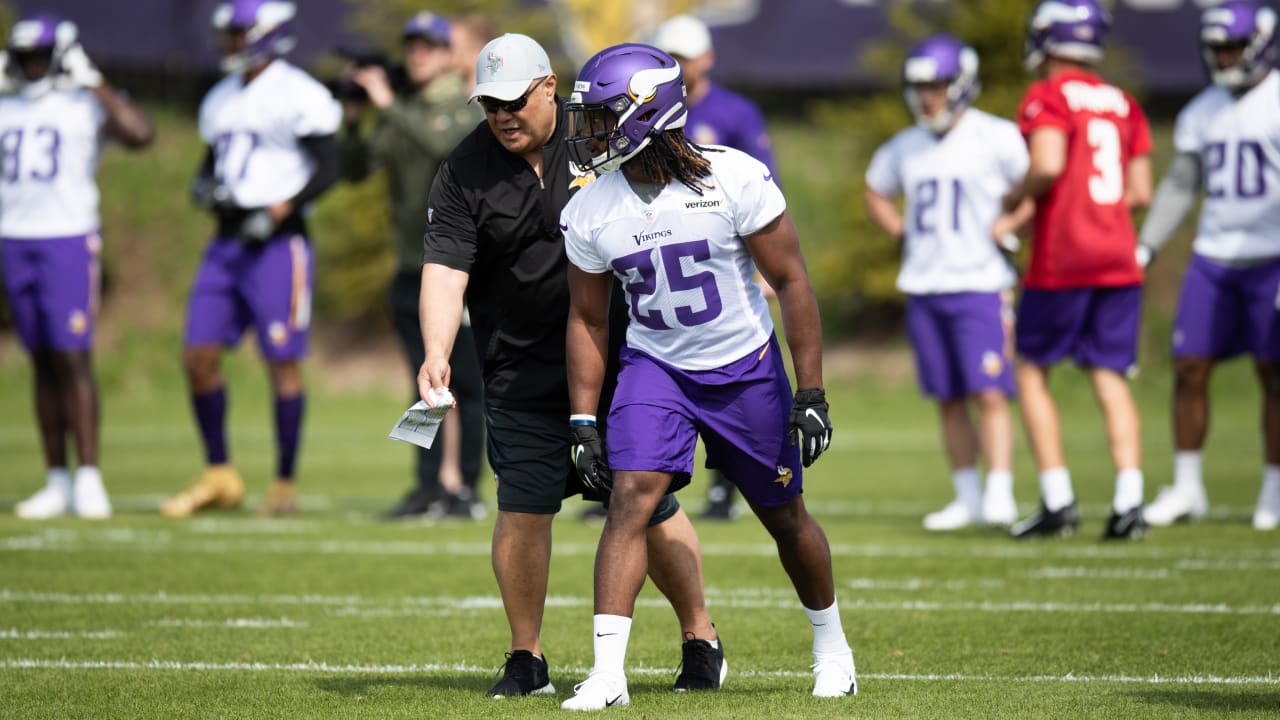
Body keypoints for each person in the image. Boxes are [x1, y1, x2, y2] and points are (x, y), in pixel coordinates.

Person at [416, 33, 722, 698]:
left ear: (549, 86)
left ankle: (701, 638)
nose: (501, 114)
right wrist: (438, 352)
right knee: (522, 508)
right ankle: (526, 657)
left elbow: (676, 206)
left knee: (646, 504)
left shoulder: (602, 138)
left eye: (513, 100)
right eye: (489, 103)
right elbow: (444, 270)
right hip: (518, 370)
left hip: (622, 365)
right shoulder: (463, 170)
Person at [558, 43, 856, 710]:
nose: (590, 134)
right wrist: (582, 418)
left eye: (603, 119)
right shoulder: (590, 208)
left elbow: (791, 281)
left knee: (784, 517)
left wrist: (809, 391)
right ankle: (608, 674)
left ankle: (832, 647)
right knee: (630, 497)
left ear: (645, 115)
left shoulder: (734, 179)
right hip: (655, 366)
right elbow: (588, 321)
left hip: (744, 367)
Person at [160, 0, 340, 518]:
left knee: (280, 360)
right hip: (227, 240)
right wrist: (202, 184)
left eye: (239, 34)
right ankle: (220, 472)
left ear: (266, 34)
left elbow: (328, 167)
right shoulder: (220, 96)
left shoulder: (298, 92)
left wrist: (282, 208)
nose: (229, 43)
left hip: (279, 242)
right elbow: (213, 161)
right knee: (198, 355)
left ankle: (283, 482)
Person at [995, 0, 1153, 540]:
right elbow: (1139, 192)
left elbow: (1048, 164)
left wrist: (1013, 199)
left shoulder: (1047, 95)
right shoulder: (1124, 103)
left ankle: (1058, 500)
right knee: (1109, 375)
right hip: (1118, 256)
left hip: (1064, 258)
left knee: (1032, 370)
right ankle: (1129, 503)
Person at [864, 34, 1022, 531]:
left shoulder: (995, 136)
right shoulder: (904, 146)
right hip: (926, 284)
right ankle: (967, 496)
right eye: (919, 86)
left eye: (935, 85)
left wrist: (1009, 225)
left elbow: (1036, 186)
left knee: (990, 392)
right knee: (948, 396)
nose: (927, 95)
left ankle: (1000, 492)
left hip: (979, 282)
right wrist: (898, 228)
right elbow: (876, 188)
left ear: (960, 84)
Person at [1, 13, 153, 519]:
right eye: (25, 57)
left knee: (72, 358)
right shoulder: (6, 102)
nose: (32, 66)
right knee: (41, 362)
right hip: (14, 240)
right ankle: (55, 480)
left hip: (67, 240)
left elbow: (140, 133)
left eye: (41, 56)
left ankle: (89, 477)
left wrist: (93, 81)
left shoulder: (80, 103)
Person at [1136, 1, 1280, 531]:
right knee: (1189, 366)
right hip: (1216, 255)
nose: (1224, 58)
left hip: (1273, 256)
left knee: (1274, 374)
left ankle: (1274, 489)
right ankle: (1188, 487)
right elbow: (1180, 185)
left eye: (1233, 47)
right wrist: (1146, 246)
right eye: (1217, 48)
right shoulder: (1202, 111)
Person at [339, 11, 484, 520]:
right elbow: (356, 170)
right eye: (411, 46)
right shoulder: (404, 111)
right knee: (423, 382)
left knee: (465, 381)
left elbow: (446, 147)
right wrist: (354, 120)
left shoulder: (467, 109)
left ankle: (463, 487)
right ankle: (428, 486)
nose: (417, 55)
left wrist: (387, 106)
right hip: (409, 267)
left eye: (428, 46)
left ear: (449, 55)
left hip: (455, 271)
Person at [649, 13, 779, 521]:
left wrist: (764, 267)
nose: (678, 65)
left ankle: (730, 485)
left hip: (726, 260)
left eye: (685, 56)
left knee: (733, 377)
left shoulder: (734, 111)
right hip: (662, 258)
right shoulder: (644, 114)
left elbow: (763, 191)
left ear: (706, 58)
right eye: (670, 56)